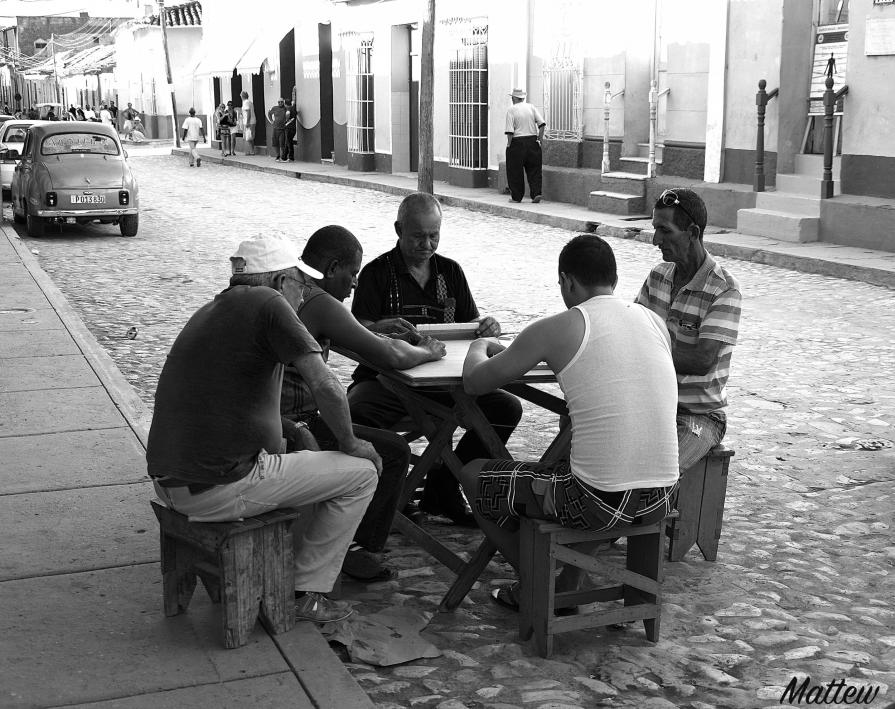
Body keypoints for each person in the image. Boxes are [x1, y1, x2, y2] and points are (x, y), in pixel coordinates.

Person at [147, 235, 382, 623]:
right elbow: (325, 385)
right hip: (217, 487)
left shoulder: (215, 307)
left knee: (305, 457)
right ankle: (305, 592)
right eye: (300, 285)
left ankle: (284, 572)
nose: (303, 296)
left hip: (172, 482)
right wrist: (351, 442)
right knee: (362, 473)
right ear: (279, 282)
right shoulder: (269, 303)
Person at [459, 234, 680, 611]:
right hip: (662, 495)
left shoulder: (558, 327)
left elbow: (474, 382)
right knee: (586, 466)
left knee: (473, 474)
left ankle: (537, 582)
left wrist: (479, 346)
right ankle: (569, 576)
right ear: (612, 278)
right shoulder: (654, 322)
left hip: (596, 499)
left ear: (568, 281)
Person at [280, 225, 447, 580]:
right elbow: (390, 357)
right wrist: (426, 351)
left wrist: (373, 327)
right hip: (293, 421)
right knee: (393, 451)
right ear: (332, 267)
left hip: (280, 416)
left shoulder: (295, 286)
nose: (354, 283)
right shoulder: (319, 300)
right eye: (351, 273)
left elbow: (355, 332)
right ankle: (354, 547)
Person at [349, 192, 523, 526]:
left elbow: (473, 327)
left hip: (446, 381)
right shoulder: (377, 274)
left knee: (506, 408)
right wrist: (379, 327)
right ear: (399, 229)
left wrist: (486, 326)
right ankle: (383, 500)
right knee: (357, 413)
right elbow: (359, 333)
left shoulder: (450, 272)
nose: (427, 244)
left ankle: (444, 486)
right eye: (418, 236)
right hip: (387, 381)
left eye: (434, 236)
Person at [635, 188, 741, 471]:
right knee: (580, 429)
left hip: (699, 417)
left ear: (692, 232)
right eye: (655, 229)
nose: (656, 240)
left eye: (664, 231)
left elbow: (702, 360)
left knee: (655, 471)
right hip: (651, 405)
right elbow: (632, 333)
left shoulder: (723, 288)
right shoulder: (658, 276)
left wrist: (645, 351)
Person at [504, 88, 546, 204]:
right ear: (523, 98)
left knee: (514, 170)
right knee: (535, 170)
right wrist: (539, 139)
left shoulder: (511, 110)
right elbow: (542, 124)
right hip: (532, 141)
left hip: (517, 142)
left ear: (514, 98)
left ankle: (516, 197)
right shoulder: (531, 107)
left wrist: (509, 145)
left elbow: (510, 131)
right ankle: (536, 193)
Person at [267, 97, 287, 162]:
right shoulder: (275, 108)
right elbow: (269, 113)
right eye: (279, 102)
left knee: (282, 143)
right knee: (275, 143)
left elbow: (289, 115)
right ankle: (277, 155)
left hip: (282, 129)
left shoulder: (285, 108)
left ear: (283, 102)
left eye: (281, 102)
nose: (280, 103)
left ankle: (283, 156)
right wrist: (271, 121)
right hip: (275, 128)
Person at [240, 90, 256, 156]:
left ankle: (249, 151)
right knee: (250, 136)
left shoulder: (246, 102)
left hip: (249, 121)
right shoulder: (249, 102)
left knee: (248, 136)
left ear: (242, 96)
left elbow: (248, 112)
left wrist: (247, 122)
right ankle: (251, 151)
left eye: (241, 95)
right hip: (252, 121)